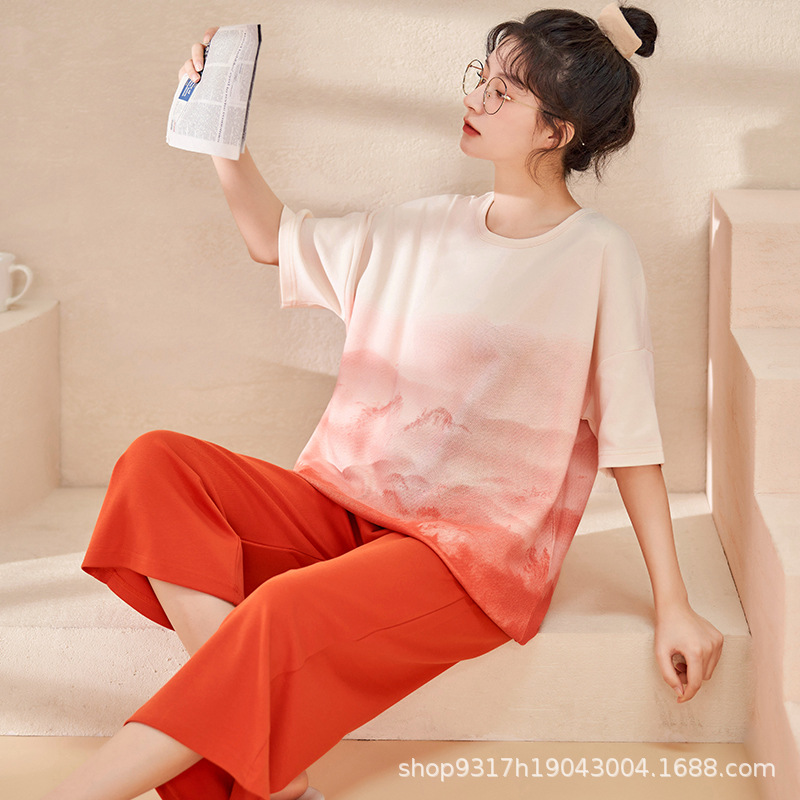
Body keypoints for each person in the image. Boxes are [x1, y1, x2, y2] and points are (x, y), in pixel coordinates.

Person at [42, 5, 724, 800]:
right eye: (481, 77)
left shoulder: (598, 254)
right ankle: (264, 757)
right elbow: (272, 239)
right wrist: (220, 128)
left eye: (503, 93)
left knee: (282, 609)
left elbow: (631, 441)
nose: (475, 98)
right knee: (156, 464)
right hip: (342, 509)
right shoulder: (423, 226)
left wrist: (674, 604)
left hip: (465, 558)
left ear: (555, 131)